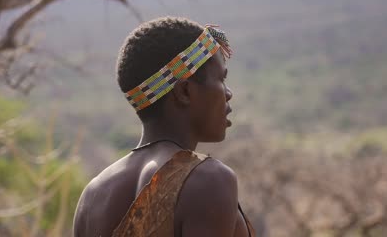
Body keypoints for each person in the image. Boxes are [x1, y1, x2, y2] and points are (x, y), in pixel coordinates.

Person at [73, 16, 255, 237]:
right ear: (184, 92)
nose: (228, 93)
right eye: (221, 79)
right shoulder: (207, 180)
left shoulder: (92, 196)